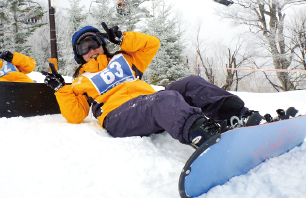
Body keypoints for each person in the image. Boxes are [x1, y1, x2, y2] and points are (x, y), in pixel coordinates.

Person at [42, 22, 263, 149]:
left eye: (94, 44)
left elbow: (152, 44)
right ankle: (205, 137)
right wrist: (61, 89)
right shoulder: (80, 82)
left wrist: (123, 40)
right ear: (79, 55)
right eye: (84, 48)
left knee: (190, 83)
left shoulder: (124, 59)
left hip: (149, 103)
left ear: (102, 44)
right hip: (119, 116)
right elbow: (75, 115)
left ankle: (237, 116)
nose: (91, 50)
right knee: (162, 99)